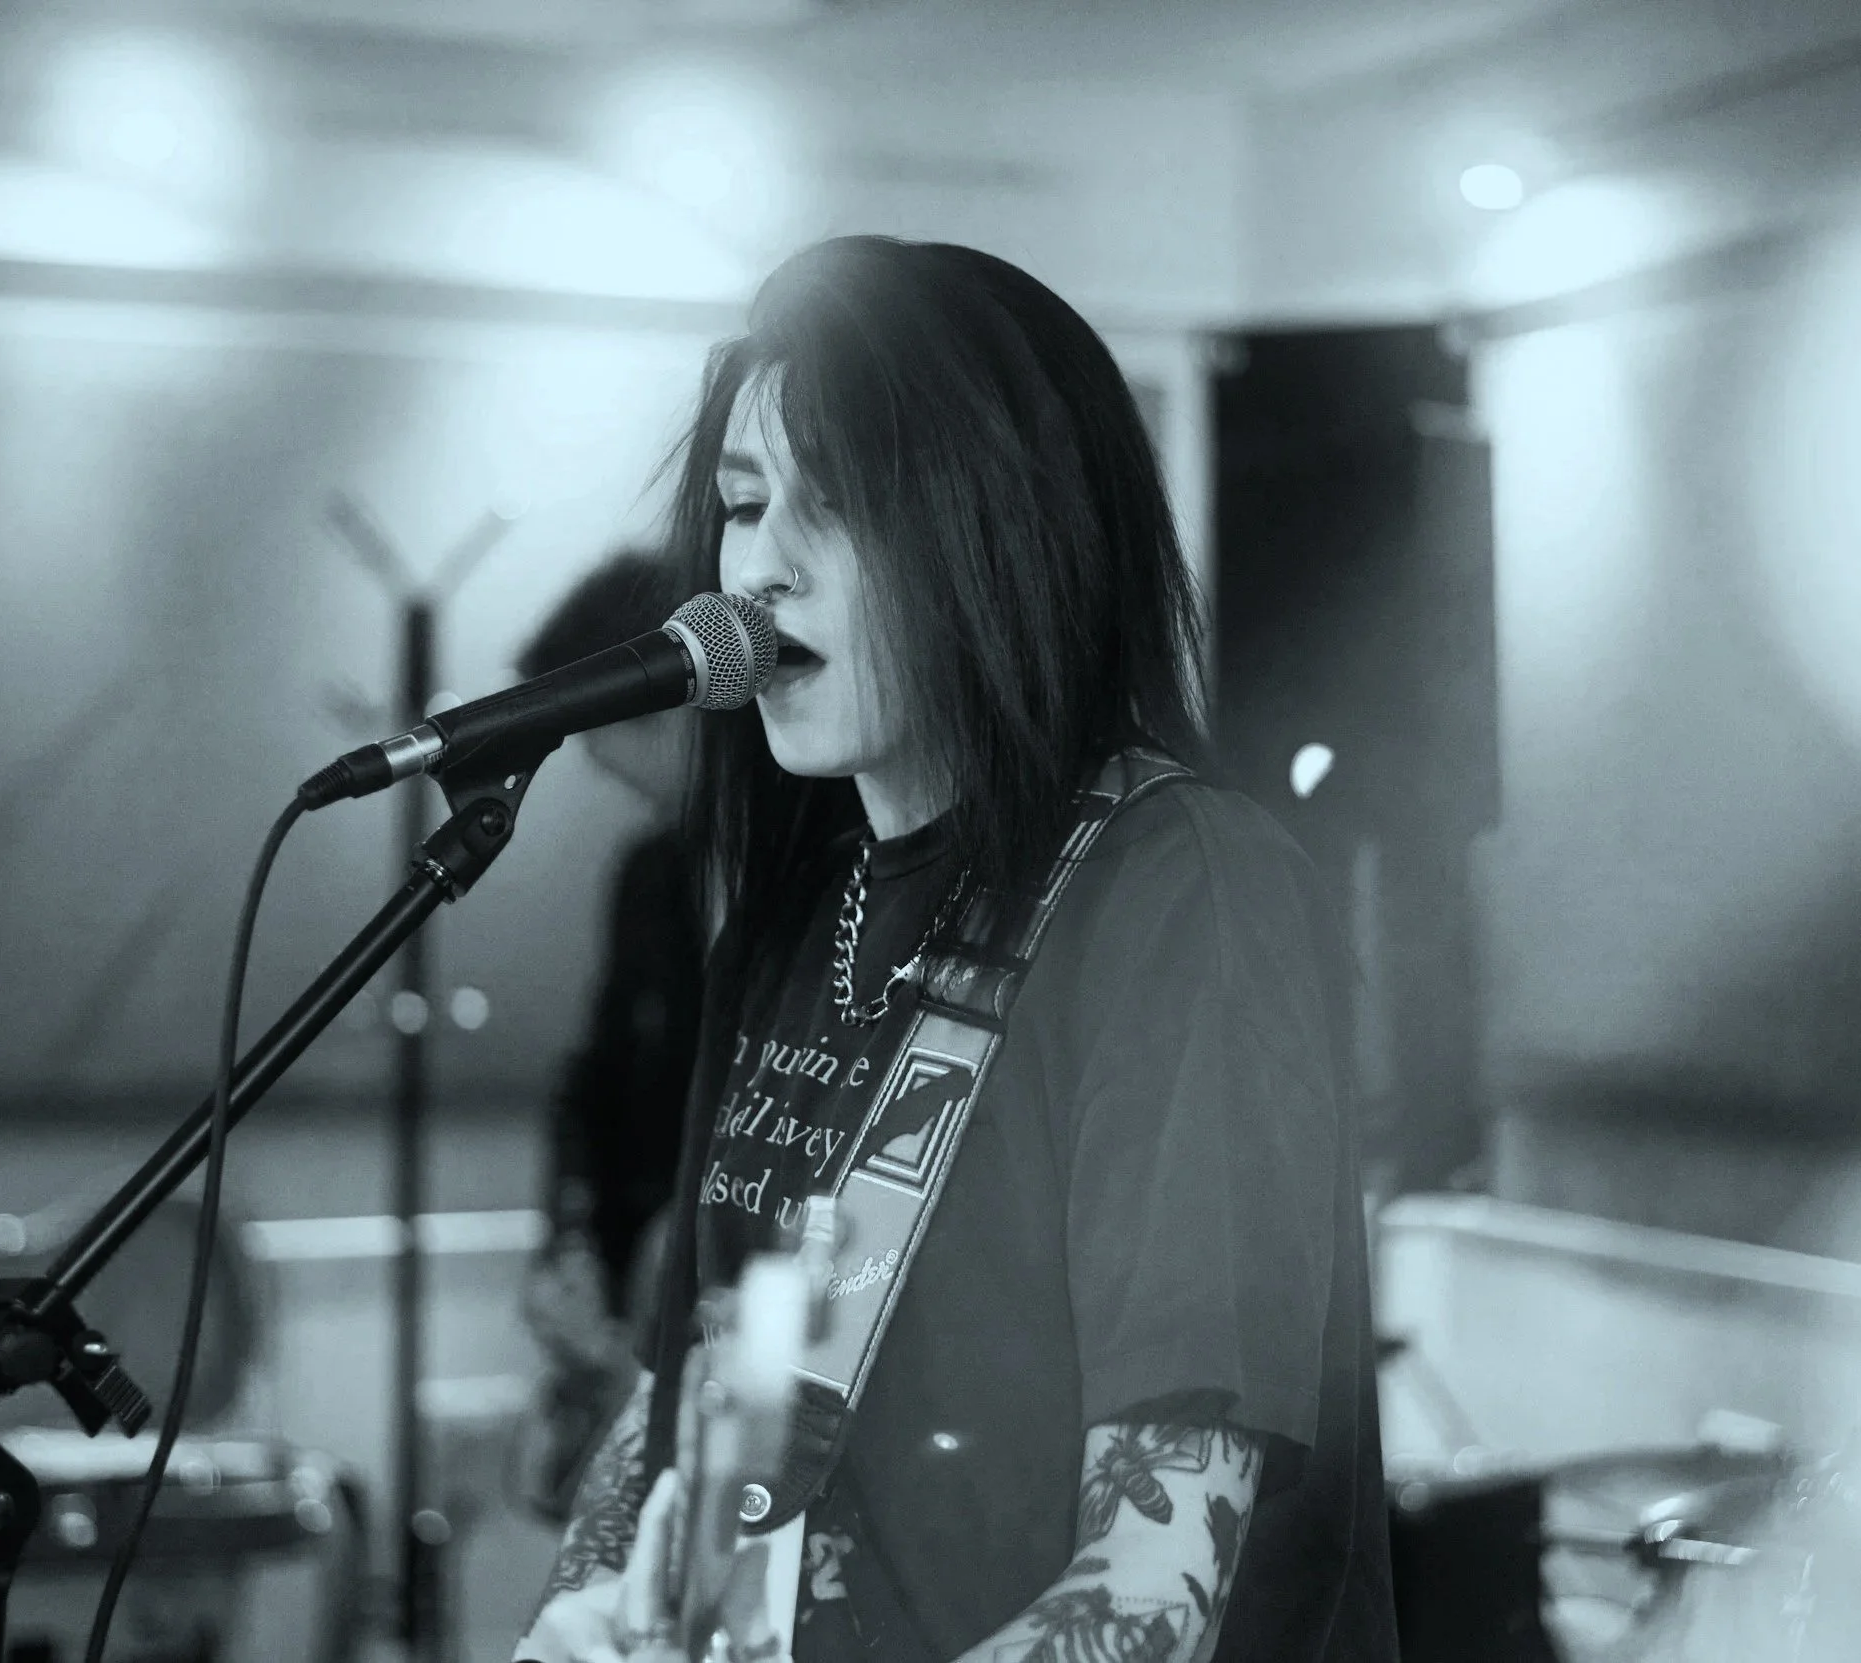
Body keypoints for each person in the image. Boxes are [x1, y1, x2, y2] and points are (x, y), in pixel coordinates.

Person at [515, 235, 1397, 1663]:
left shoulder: (1179, 891)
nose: (761, 571)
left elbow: (1157, 1592)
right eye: (743, 507)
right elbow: (715, 1396)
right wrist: (598, 1599)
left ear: (1005, 529)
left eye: (839, 508)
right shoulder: (801, 920)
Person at [511, 551, 712, 1522]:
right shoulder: (648, 876)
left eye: (591, 731)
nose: (585, 760)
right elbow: (587, 1087)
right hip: (643, 1317)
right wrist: (569, 1242)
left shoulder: (829, 866)